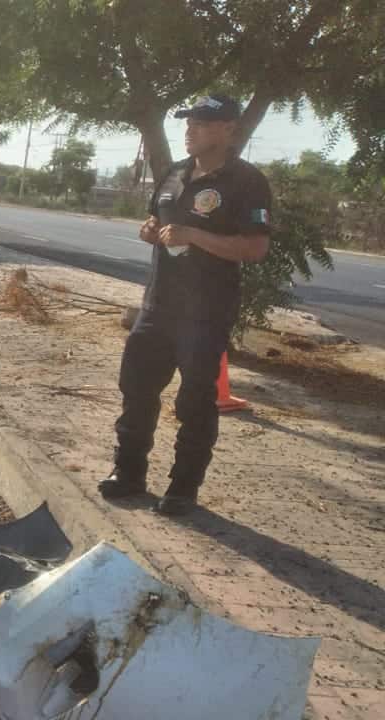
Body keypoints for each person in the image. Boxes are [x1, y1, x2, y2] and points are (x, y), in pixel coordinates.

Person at [99, 94, 272, 516]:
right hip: (157, 307)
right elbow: (160, 222)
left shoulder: (246, 181)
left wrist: (195, 237)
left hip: (205, 314)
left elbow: (255, 247)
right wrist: (151, 229)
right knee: (137, 390)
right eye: (189, 121)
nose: (190, 129)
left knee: (194, 403)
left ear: (229, 129)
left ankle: (182, 490)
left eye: (202, 122)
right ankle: (130, 473)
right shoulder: (175, 174)